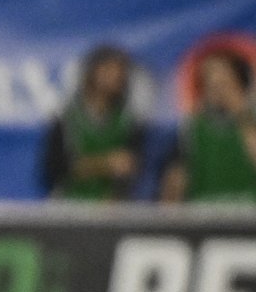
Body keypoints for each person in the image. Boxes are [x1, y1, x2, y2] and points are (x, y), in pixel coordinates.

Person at [41, 45, 145, 199]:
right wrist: (105, 164)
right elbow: (54, 171)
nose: (117, 75)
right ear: (93, 72)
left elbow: (130, 167)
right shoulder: (66, 119)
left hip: (111, 209)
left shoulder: (129, 121)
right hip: (68, 207)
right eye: (109, 69)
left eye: (121, 70)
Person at [160, 49, 256, 203]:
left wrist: (241, 114)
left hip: (249, 216)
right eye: (209, 81)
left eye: (224, 82)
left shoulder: (250, 121)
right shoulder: (193, 127)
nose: (217, 88)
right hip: (205, 216)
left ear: (240, 82)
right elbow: (176, 178)